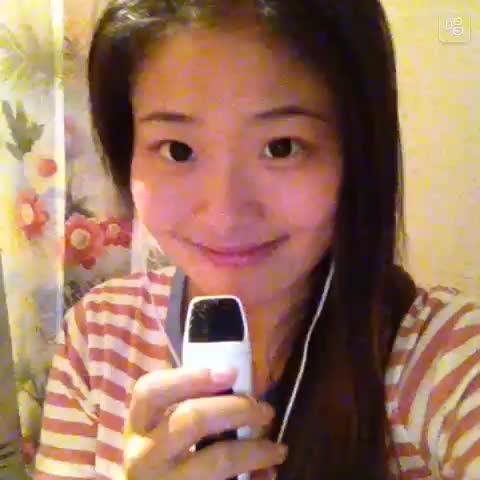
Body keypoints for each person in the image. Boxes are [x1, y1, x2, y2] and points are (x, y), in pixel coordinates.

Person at [34, 0, 480, 479]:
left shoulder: (444, 362)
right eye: (178, 150)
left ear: (355, 153)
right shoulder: (99, 336)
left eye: (281, 148)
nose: (224, 216)